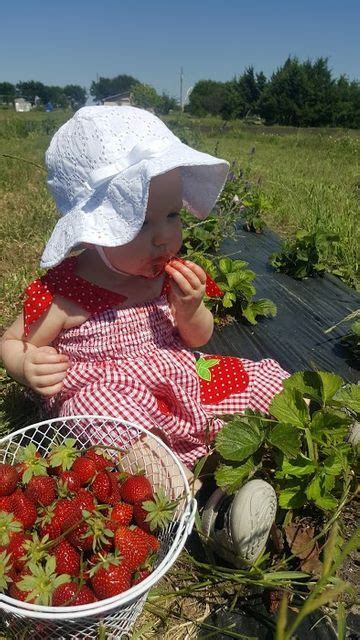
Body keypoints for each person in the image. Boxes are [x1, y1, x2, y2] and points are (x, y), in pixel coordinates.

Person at [0, 106, 289, 567]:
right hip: (108, 390)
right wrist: (24, 364)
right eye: (138, 223)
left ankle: (315, 416)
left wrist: (191, 308)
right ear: (93, 230)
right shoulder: (64, 289)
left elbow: (198, 339)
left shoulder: (168, 275)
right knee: (97, 415)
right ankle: (204, 506)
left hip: (177, 377)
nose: (164, 238)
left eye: (172, 214)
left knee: (246, 375)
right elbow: (12, 340)